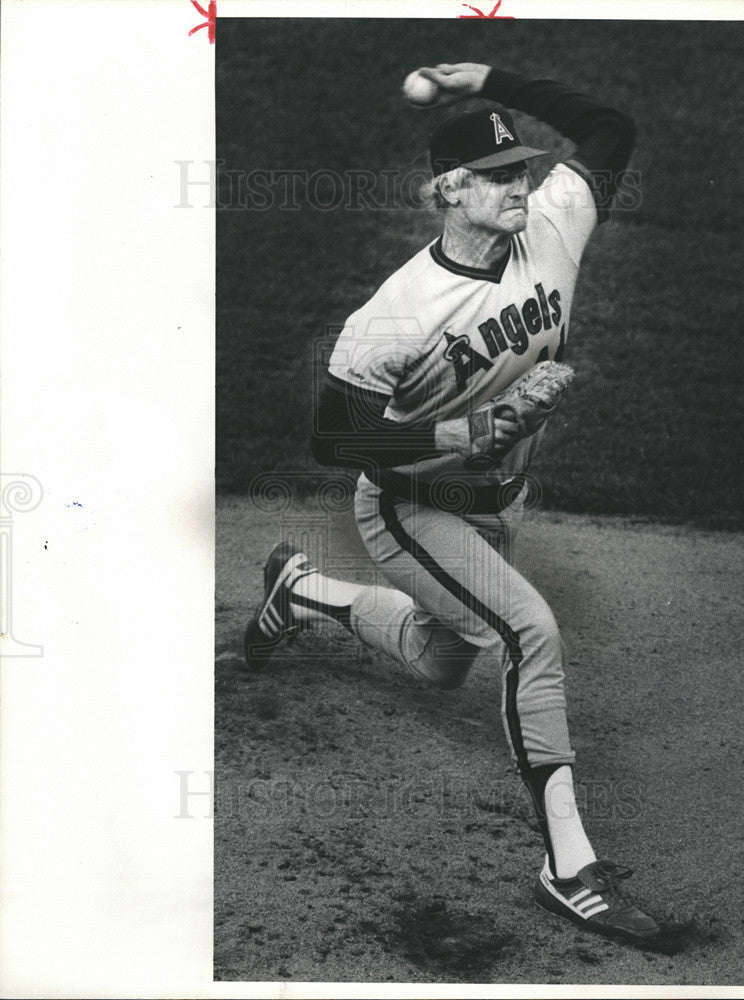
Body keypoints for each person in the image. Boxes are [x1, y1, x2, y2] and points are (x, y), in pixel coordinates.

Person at [244, 61, 660, 944]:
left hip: (501, 503)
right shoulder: (395, 314)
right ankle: (568, 866)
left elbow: (611, 127)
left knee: (440, 659)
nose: (521, 187)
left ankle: (301, 592)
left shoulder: (552, 226)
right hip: (410, 509)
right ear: (448, 189)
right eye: (499, 177)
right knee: (526, 632)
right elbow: (336, 441)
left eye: (522, 171)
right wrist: (470, 433)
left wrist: (493, 76)